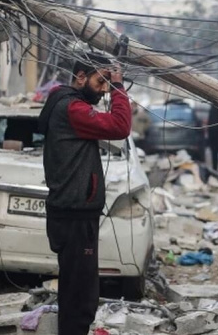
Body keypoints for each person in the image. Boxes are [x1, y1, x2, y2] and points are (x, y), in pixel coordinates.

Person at [37, 55, 131, 335]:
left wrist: (112, 86)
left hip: (72, 212)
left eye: (106, 84)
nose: (103, 89)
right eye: (100, 81)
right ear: (80, 77)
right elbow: (120, 127)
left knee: (76, 288)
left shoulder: (65, 103)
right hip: (75, 214)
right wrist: (118, 87)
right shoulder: (72, 108)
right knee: (81, 294)